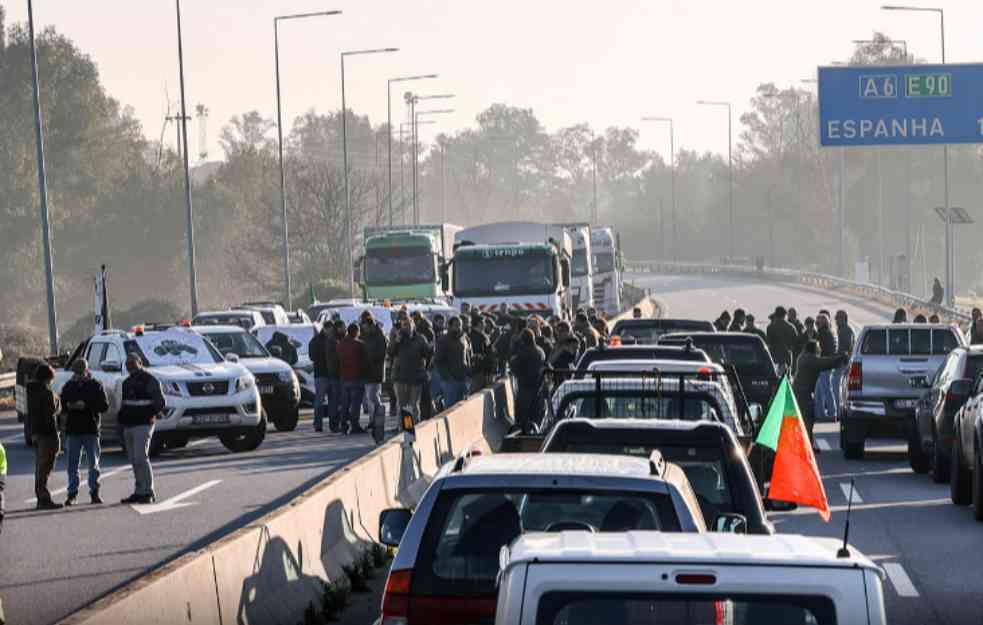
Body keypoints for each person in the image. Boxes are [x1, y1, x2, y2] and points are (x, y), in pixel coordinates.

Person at [60, 358, 109, 505]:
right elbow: (61, 405)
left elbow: (104, 406)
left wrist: (86, 405)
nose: (78, 376)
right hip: (73, 430)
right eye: (76, 373)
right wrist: (68, 405)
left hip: (91, 429)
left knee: (93, 464)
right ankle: (72, 494)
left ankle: (95, 492)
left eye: (81, 373)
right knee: (72, 465)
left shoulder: (96, 385)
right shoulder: (68, 386)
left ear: (87, 371)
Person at [118, 355, 165, 504]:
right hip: (129, 425)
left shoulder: (150, 380)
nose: (130, 366)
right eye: (127, 364)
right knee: (134, 460)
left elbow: (160, 403)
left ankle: (148, 492)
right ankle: (139, 491)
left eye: (133, 363)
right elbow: (125, 404)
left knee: (141, 457)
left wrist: (147, 414)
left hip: (144, 424)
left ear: (140, 363)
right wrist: (122, 420)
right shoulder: (126, 383)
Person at [793, 340, 847, 449]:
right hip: (803, 393)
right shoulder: (809, 359)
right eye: (818, 348)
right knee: (807, 419)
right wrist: (841, 358)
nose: (820, 350)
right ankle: (806, 447)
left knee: (807, 419)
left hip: (802, 392)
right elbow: (825, 363)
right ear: (813, 349)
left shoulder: (804, 357)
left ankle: (807, 445)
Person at [388, 317, 433, 424]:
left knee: (413, 406)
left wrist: (430, 349)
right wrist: (396, 342)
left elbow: (427, 355)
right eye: (404, 325)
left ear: (413, 325)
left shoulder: (420, 338)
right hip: (400, 378)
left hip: (416, 378)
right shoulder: (398, 338)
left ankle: (413, 430)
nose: (406, 327)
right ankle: (406, 431)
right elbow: (390, 352)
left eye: (408, 324)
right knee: (403, 407)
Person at [29, 363, 62, 510]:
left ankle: (40, 497)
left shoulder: (30, 392)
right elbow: (52, 412)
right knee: (46, 467)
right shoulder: (47, 393)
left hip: (36, 433)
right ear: (48, 378)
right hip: (48, 434)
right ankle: (44, 498)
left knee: (39, 467)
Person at [510, 329, 546, 434]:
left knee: (522, 417)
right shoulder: (540, 351)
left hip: (525, 388)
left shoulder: (523, 353)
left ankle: (523, 434)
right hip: (538, 388)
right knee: (535, 415)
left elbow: (513, 365)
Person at [360, 315, 388, 444]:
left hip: (376, 371)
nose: (364, 329)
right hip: (367, 371)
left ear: (370, 325)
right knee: (369, 398)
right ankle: (373, 420)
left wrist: (369, 359)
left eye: (365, 327)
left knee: (372, 396)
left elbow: (381, 354)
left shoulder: (379, 336)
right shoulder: (366, 335)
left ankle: (380, 409)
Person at [308, 322, 339, 432]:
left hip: (331, 374)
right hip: (321, 374)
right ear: (325, 329)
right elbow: (312, 356)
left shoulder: (332, 340)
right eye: (330, 329)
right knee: (320, 401)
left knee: (333, 401)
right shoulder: (316, 341)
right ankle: (318, 424)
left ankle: (333, 425)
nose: (331, 332)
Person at [337, 323, 367, 434]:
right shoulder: (359, 345)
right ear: (356, 332)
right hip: (357, 377)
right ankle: (355, 425)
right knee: (355, 404)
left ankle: (343, 425)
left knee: (345, 403)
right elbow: (365, 361)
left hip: (344, 377)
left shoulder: (340, 345)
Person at [435, 316, 471, 409]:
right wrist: (447, 376)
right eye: (456, 325)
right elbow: (438, 361)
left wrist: (468, 372)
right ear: (449, 326)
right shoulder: (443, 340)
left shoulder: (464, 338)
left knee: (462, 406)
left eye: (460, 325)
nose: (458, 327)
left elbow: (468, 355)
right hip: (450, 380)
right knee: (451, 407)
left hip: (463, 378)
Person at [765, 306, 798, 374]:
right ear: (785, 315)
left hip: (774, 359)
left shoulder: (770, 327)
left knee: (775, 380)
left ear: (776, 315)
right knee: (785, 380)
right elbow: (795, 344)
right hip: (787, 358)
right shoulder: (791, 327)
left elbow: (768, 344)